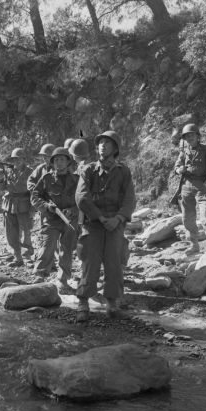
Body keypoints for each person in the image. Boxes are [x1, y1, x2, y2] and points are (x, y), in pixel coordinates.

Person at [75, 131, 136, 322]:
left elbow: (129, 199)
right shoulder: (88, 170)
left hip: (115, 223)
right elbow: (81, 197)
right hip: (94, 223)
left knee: (114, 262)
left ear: (115, 148)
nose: (102, 145)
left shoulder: (123, 171)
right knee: (90, 262)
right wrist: (101, 218)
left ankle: (111, 302)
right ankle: (83, 301)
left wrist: (118, 219)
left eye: (107, 143)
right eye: (100, 142)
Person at [30, 147, 79, 293]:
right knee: (47, 246)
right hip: (51, 219)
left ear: (68, 162)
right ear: (52, 162)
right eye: (56, 160)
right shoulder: (46, 178)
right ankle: (40, 276)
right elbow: (34, 197)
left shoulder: (77, 180)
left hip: (70, 221)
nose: (59, 162)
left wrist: (73, 210)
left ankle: (63, 280)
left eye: (62, 159)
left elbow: (83, 199)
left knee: (67, 249)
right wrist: (46, 206)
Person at [174, 123, 206, 254]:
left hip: (202, 185)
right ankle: (194, 244)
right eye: (187, 136)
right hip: (186, 186)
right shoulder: (184, 151)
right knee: (187, 217)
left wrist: (205, 186)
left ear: (197, 136)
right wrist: (179, 169)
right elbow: (176, 167)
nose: (190, 137)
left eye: (192, 135)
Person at [0, 147, 34, 265]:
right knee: (11, 232)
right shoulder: (9, 171)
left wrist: (33, 209)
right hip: (9, 204)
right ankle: (17, 257)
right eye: (14, 160)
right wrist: (1, 178)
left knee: (26, 231)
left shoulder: (30, 172)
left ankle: (27, 256)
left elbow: (34, 191)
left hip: (24, 204)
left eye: (19, 159)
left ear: (24, 159)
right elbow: (2, 189)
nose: (16, 162)